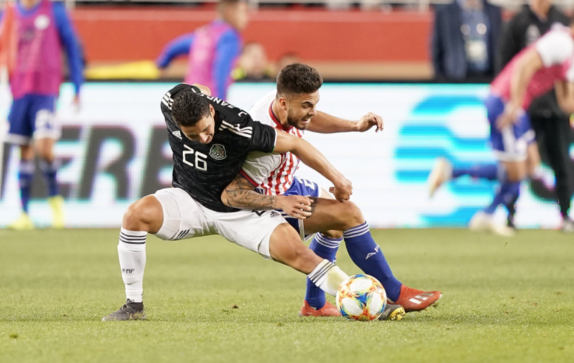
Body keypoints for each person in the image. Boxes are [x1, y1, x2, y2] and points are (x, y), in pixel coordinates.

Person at [102, 83, 360, 321]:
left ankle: (360, 297)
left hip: (239, 209)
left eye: (205, 130)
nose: (203, 139)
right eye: (192, 135)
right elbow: (197, 89)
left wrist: (337, 179)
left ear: (211, 112)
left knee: (299, 255)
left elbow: (294, 144)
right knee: (134, 215)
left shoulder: (241, 127)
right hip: (189, 200)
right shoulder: (170, 102)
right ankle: (133, 306)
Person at [221, 64, 442, 317]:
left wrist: (355, 125)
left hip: (287, 183)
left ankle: (314, 305)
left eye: (314, 103)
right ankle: (395, 291)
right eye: (306, 105)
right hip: (270, 203)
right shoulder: (265, 140)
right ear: (283, 103)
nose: (312, 112)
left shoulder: (275, 103)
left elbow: (309, 121)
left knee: (335, 225)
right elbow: (237, 192)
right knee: (349, 213)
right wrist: (336, 179)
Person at [429, 22, 574, 235]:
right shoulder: (561, 41)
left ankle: (461, 182)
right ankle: (476, 201)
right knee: (516, 171)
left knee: (530, 165)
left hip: (518, 106)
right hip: (506, 101)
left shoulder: (569, 55)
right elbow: (524, 65)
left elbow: (565, 103)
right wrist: (514, 104)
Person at [0, 0, 84, 230]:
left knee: (44, 148)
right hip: (19, 91)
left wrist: (78, 86)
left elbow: (72, 47)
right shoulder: (9, 13)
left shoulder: (53, 10)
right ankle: (24, 212)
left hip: (46, 91)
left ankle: (54, 199)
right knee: (24, 150)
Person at [496, 0, 573, 231]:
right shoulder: (519, 21)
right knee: (518, 160)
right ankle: (510, 213)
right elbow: (511, 61)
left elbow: (564, 80)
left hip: (554, 109)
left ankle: (565, 214)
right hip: (527, 107)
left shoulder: (560, 20)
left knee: (561, 163)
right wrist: (513, 102)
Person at [155, 0, 248, 100]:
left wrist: (162, 63)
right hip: (208, 100)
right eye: (243, 12)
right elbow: (221, 72)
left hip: (188, 98)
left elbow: (173, 47)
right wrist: (221, 105)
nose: (247, 18)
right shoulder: (229, 37)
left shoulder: (204, 33)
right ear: (230, 12)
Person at [431, 0, 502, 82]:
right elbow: (437, 48)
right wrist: (441, 79)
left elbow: (500, 45)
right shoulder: (445, 12)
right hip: (456, 77)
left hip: (488, 76)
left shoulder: (493, 11)